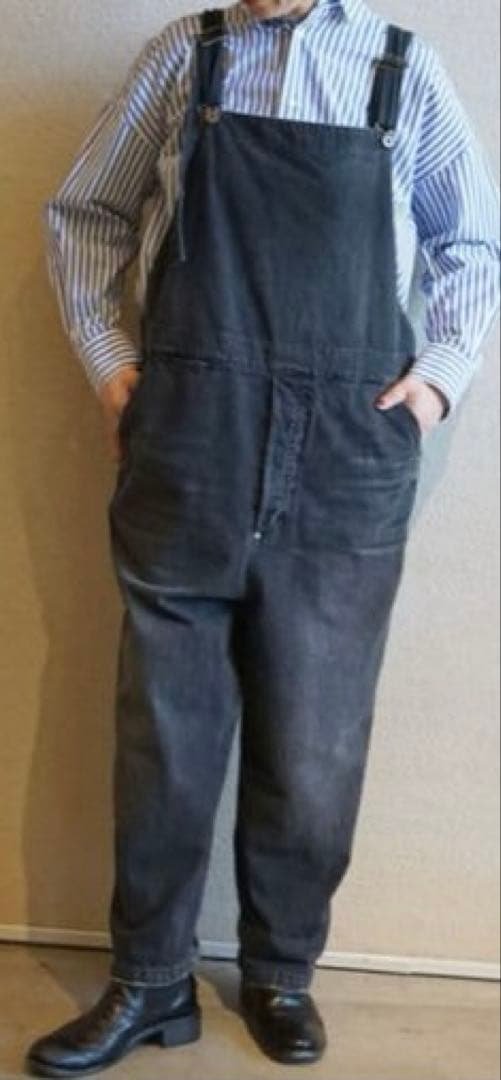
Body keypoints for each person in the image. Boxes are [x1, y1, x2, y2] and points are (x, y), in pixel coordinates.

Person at [27, 0, 500, 1074]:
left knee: (314, 734)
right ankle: (150, 980)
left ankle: (281, 972)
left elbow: (472, 241)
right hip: (191, 442)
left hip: (345, 455)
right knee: (165, 731)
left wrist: (434, 385)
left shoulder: (399, 69)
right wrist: (111, 365)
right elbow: (85, 213)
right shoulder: (181, 59)